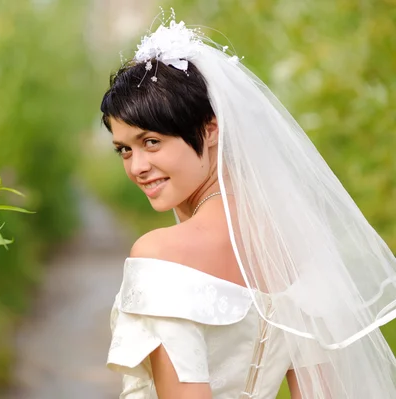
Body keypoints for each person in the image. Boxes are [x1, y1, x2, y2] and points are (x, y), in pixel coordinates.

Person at [100, 16, 396, 399]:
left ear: (209, 129)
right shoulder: (293, 243)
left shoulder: (161, 255)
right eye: (124, 149)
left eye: (152, 141)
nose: (137, 166)